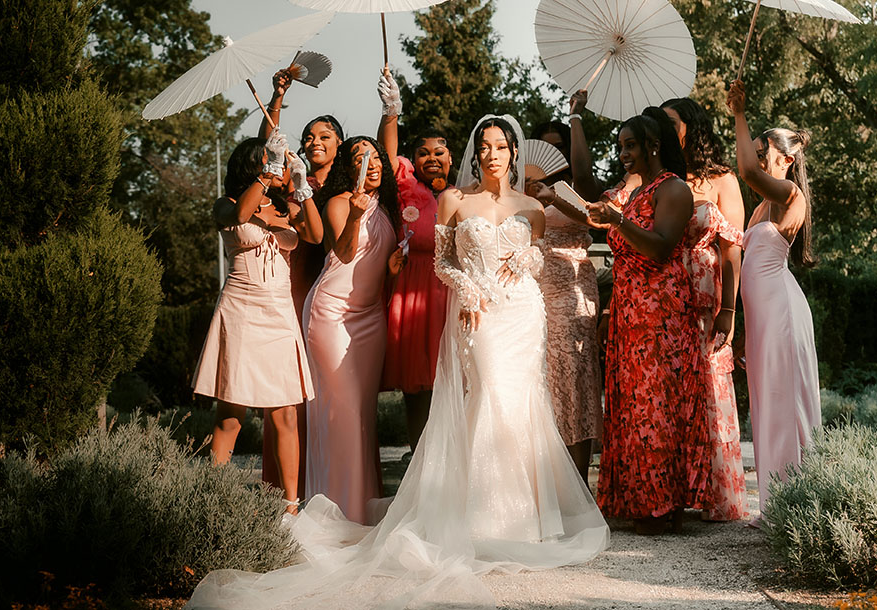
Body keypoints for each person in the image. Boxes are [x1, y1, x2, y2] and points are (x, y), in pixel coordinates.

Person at [187, 115, 608, 610]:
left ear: (514, 153)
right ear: (477, 153)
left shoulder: (532, 207)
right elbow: (444, 261)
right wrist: (469, 288)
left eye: (501, 146)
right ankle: (480, 516)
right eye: (486, 146)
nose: (493, 154)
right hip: (475, 314)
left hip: (523, 314)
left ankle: (527, 521)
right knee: (489, 395)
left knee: (523, 405)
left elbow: (536, 253)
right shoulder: (454, 200)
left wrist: (527, 262)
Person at [587, 110, 711, 535]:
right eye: (620, 146)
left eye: (631, 145)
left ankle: (663, 505)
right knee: (633, 407)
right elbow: (624, 258)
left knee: (658, 407)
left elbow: (660, 249)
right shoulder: (637, 194)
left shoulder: (674, 189)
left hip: (662, 314)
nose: (623, 154)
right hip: (628, 312)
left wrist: (617, 219)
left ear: (653, 146)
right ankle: (641, 499)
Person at [191, 134, 323, 514]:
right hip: (241, 310)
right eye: (273, 161)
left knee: (284, 414)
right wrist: (268, 173)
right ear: (256, 164)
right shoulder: (227, 204)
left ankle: (291, 507)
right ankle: (212, 503)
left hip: (278, 314)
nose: (281, 166)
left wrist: (302, 188)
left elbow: (315, 235)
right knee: (231, 414)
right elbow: (241, 217)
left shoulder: (286, 208)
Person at [725, 79, 820, 518]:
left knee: (782, 400)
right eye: (759, 151)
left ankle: (794, 506)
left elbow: (745, 171)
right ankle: (775, 505)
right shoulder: (762, 207)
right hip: (761, 318)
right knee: (765, 403)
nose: (759, 159)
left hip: (781, 310)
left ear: (787, 158)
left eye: (764, 152)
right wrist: (743, 331)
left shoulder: (790, 197)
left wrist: (739, 114)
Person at [302, 135, 405, 525]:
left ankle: (363, 506)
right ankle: (337, 512)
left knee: (363, 415)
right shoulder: (339, 203)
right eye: (362, 157)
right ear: (349, 166)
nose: (373, 163)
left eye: (377, 157)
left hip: (370, 318)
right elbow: (343, 253)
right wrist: (357, 215)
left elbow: (376, 263)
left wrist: (394, 269)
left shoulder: (388, 207)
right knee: (341, 413)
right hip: (331, 315)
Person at [257, 68, 346, 500]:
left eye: (324, 135)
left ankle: (326, 487)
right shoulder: (292, 183)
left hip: (335, 304)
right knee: (289, 393)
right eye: (309, 135)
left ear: (340, 146)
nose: (314, 141)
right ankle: (285, 490)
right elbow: (266, 149)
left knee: (327, 395)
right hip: (292, 293)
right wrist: (276, 100)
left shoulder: (348, 189)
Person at [661, 97, 748, 522]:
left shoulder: (721, 180)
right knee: (672, 394)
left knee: (711, 388)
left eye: (671, 122)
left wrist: (729, 308)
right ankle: (674, 492)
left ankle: (717, 495)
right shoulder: (658, 180)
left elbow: (732, 250)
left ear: (691, 127)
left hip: (707, 297)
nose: (663, 128)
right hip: (664, 299)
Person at [523, 90, 603, 484]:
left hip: (572, 289)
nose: (553, 158)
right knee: (540, 376)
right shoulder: (521, 188)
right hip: (531, 287)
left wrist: (552, 195)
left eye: (560, 150)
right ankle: (543, 478)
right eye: (546, 149)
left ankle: (578, 478)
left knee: (576, 375)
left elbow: (593, 220)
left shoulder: (578, 187)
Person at [376, 70, 451, 452]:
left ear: (452, 157)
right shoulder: (406, 185)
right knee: (417, 387)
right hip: (413, 289)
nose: (431, 158)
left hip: (450, 294)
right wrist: (391, 111)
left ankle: (451, 460)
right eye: (424, 152)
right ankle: (418, 457)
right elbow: (385, 160)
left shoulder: (463, 194)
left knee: (451, 383)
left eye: (439, 152)